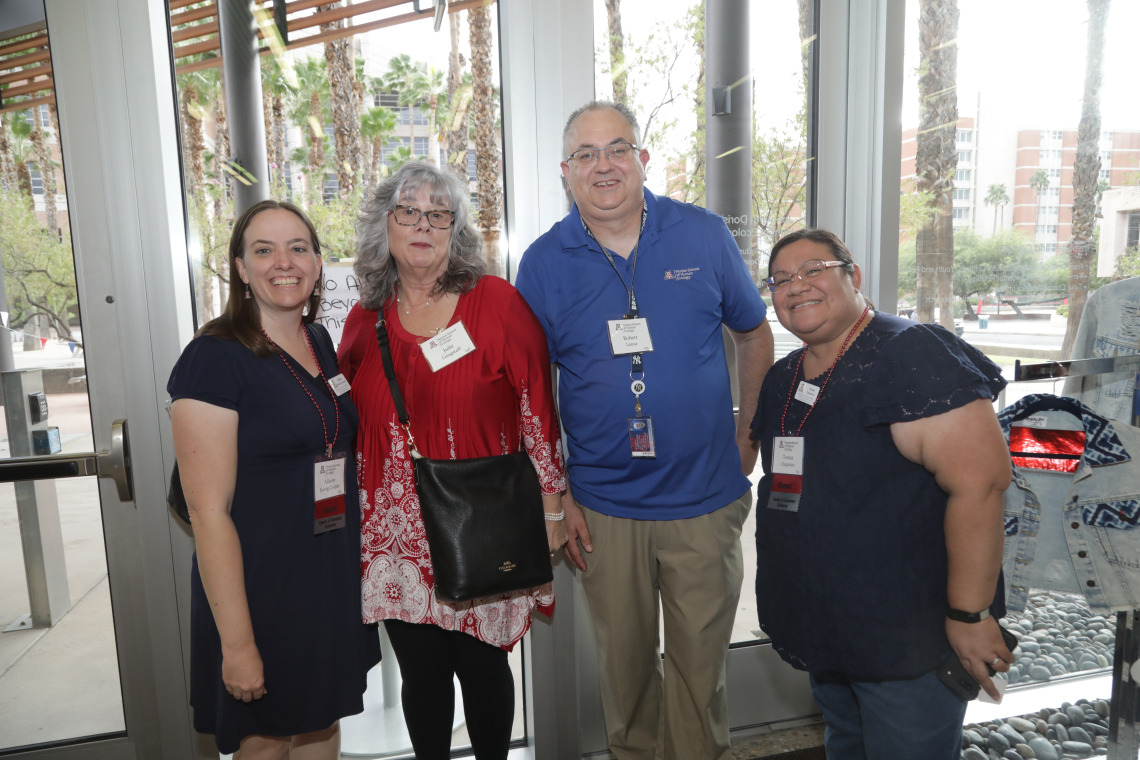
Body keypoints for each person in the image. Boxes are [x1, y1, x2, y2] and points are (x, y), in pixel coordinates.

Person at [514, 100, 774, 760]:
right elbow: (531, 388)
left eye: (617, 149)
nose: (603, 166)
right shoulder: (544, 262)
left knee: (698, 676)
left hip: (705, 501)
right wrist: (558, 495)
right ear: (565, 172)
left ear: (642, 159)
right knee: (625, 677)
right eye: (586, 155)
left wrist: (748, 432)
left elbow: (753, 332)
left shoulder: (703, 233)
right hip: (602, 509)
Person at [750, 228, 1013, 759]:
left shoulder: (912, 354)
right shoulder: (784, 376)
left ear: (855, 277)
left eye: (814, 270)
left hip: (905, 640)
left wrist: (970, 615)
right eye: (780, 279)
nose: (795, 285)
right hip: (827, 631)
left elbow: (980, 486)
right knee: (848, 744)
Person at [337, 161, 567, 760]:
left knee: (483, 672)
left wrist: (552, 508)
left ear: (456, 229)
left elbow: (537, 408)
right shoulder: (365, 318)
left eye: (437, 213)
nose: (421, 224)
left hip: (478, 523)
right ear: (383, 226)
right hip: (393, 540)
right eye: (406, 211)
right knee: (422, 677)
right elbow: (337, 416)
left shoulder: (495, 303)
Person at [168, 200, 380, 759]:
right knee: (264, 742)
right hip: (259, 589)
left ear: (316, 262)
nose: (283, 262)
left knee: (320, 726)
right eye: (263, 250)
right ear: (240, 267)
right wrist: (238, 644)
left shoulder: (318, 343)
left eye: (298, 248)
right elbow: (208, 512)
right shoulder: (212, 358)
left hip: (327, 577)